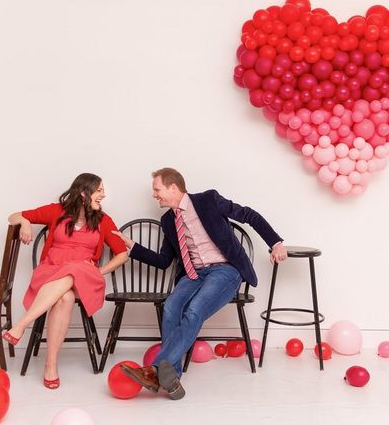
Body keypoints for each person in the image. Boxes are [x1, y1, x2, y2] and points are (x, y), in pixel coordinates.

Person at [116, 167, 287, 400]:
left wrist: (275, 242)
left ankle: (154, 370)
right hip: (194, 273)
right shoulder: (168, 221)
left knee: (195, 309)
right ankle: (172, 379)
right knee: (171, 307)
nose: (154, 195)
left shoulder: (208, 200)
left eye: (157, 190)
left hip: (225, 271)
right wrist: (133, 247)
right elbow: (164, 260)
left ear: (173, 187)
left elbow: (249, 215)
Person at [3, 173, 128, 389]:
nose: (103, 194)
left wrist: (99, 271)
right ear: (83, 193)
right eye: (99, 190)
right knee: (66, 298)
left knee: (74, 271)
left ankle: (21, 325)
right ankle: (51, 366)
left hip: (86, 279)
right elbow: (13, 216)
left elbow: (122, 254)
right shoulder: (57, 211)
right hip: (50, 272)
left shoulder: (104, 221)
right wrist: (24, 222)